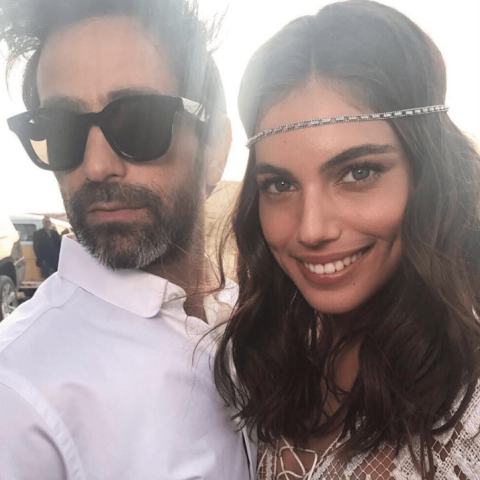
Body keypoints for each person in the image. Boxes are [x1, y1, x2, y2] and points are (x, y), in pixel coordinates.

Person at [214, 1, 480, 479]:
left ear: (428, 176)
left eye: (358, 172)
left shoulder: (469, 413)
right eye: (280, 184)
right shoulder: (275, 357)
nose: (311, 229)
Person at [0, 0, 255, 478]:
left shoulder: (250, 318)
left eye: (138, 121)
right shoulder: (17, 393)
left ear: (215, 148)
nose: (96, 165)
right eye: (61, 130)